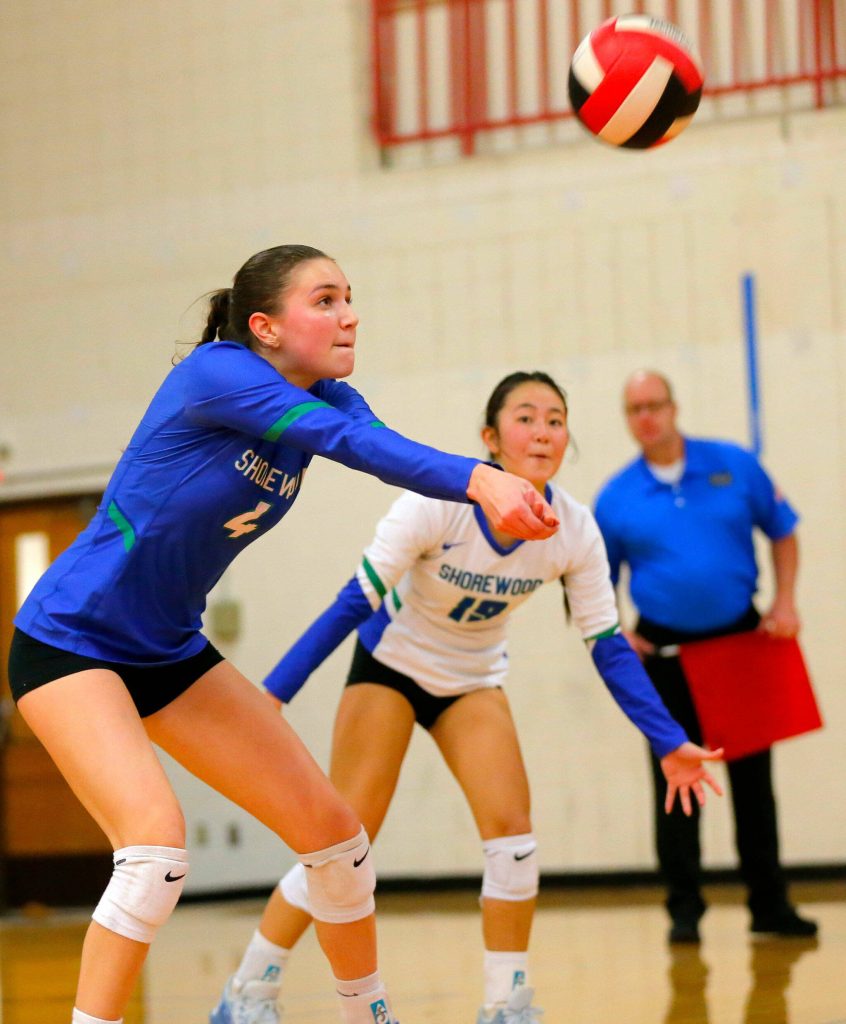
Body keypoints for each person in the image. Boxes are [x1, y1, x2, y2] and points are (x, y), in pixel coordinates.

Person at [7, 245, 564, 1024]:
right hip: (72, 640)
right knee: (156, 854)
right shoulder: (216, 375)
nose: (350, 314)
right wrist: (481, 479)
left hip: (168, 650)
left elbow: (378, 449)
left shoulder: (337, 398)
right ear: (264, 327)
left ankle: (366, 1015)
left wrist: (483, 485)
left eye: (350, 298)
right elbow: (353, 447)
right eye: (327, 300)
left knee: (338, 844)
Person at [210, 370, 723, 1024]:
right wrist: (273, 693)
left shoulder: (574, 529)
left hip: (472, 678)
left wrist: (668, 741)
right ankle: (249, 991)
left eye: (556, 420)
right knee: (343, 843)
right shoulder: (437, 501)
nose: (542, 432)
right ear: (491, 436)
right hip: (390, 665)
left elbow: (609, 645)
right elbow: (352, 602)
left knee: (513, 838)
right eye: (526, 417)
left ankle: (505, 1005)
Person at [593, 369, 819, 945]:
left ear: (674, 406)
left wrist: (785, 601)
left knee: (753, 785)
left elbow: (784, 532)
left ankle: (770, 908)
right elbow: (591, 577)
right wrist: (618, 633)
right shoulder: (617, 497)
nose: (646, 416)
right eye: (634, 408)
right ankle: (684, 913)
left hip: (739, 645)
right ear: (628, 419)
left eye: (654, 404)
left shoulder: (733, 465)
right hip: (665, 657)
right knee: (677, 783)